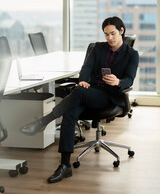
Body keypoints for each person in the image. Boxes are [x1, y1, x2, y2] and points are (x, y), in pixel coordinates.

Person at [20, 16, 139, 183]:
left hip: (110, 96)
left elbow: (130, 79)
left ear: (121, 31)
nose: (109, 38)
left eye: (112, 33)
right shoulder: (98, 48)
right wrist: (83, 80)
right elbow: (87, 67)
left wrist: (119, 81)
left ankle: (43, 122)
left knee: (79, 92)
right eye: (106, 34)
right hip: (91, 90)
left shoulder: (132, 54)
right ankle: (65, 166)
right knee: (70, 112)